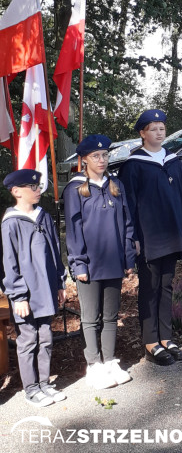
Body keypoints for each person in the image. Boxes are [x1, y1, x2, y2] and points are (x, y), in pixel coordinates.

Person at [119, 109, 182, 366]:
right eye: (153, 129)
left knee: (167, 285)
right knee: (150, 287)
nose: (159, 133)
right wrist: (134, 237)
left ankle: (166, 337)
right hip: (148, 237)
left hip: (172, 233)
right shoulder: (133, 165)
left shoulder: (172, 159)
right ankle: (151, 341)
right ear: (142, 133)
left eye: (162, 128)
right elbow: (128, 205)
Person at [63, 134, 137, 390]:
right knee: (90, 317)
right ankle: (93, 364)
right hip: (90, 265)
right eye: (96, 156)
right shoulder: (75, 189)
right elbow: (73, 231)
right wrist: (78, 264)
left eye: (105, 154)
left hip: (114, 261)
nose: (102, 159)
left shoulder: (115, 184)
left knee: (110, 316)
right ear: (83, 160)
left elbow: (127, 223)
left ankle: (109, 361)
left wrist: (129, 258)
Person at [1, 169, 67, 407]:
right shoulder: (10, 223)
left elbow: (55, 251)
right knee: (28, 340)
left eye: (38, 186)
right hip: (26, 296)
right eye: (33, 188)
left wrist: (60, 282)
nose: (38, 190)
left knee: (46, 337)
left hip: (46, 290)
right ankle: (31, 389)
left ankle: (44, 383)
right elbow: (9, 263)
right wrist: (18, 296)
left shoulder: (44, 216)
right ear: (16, 192)